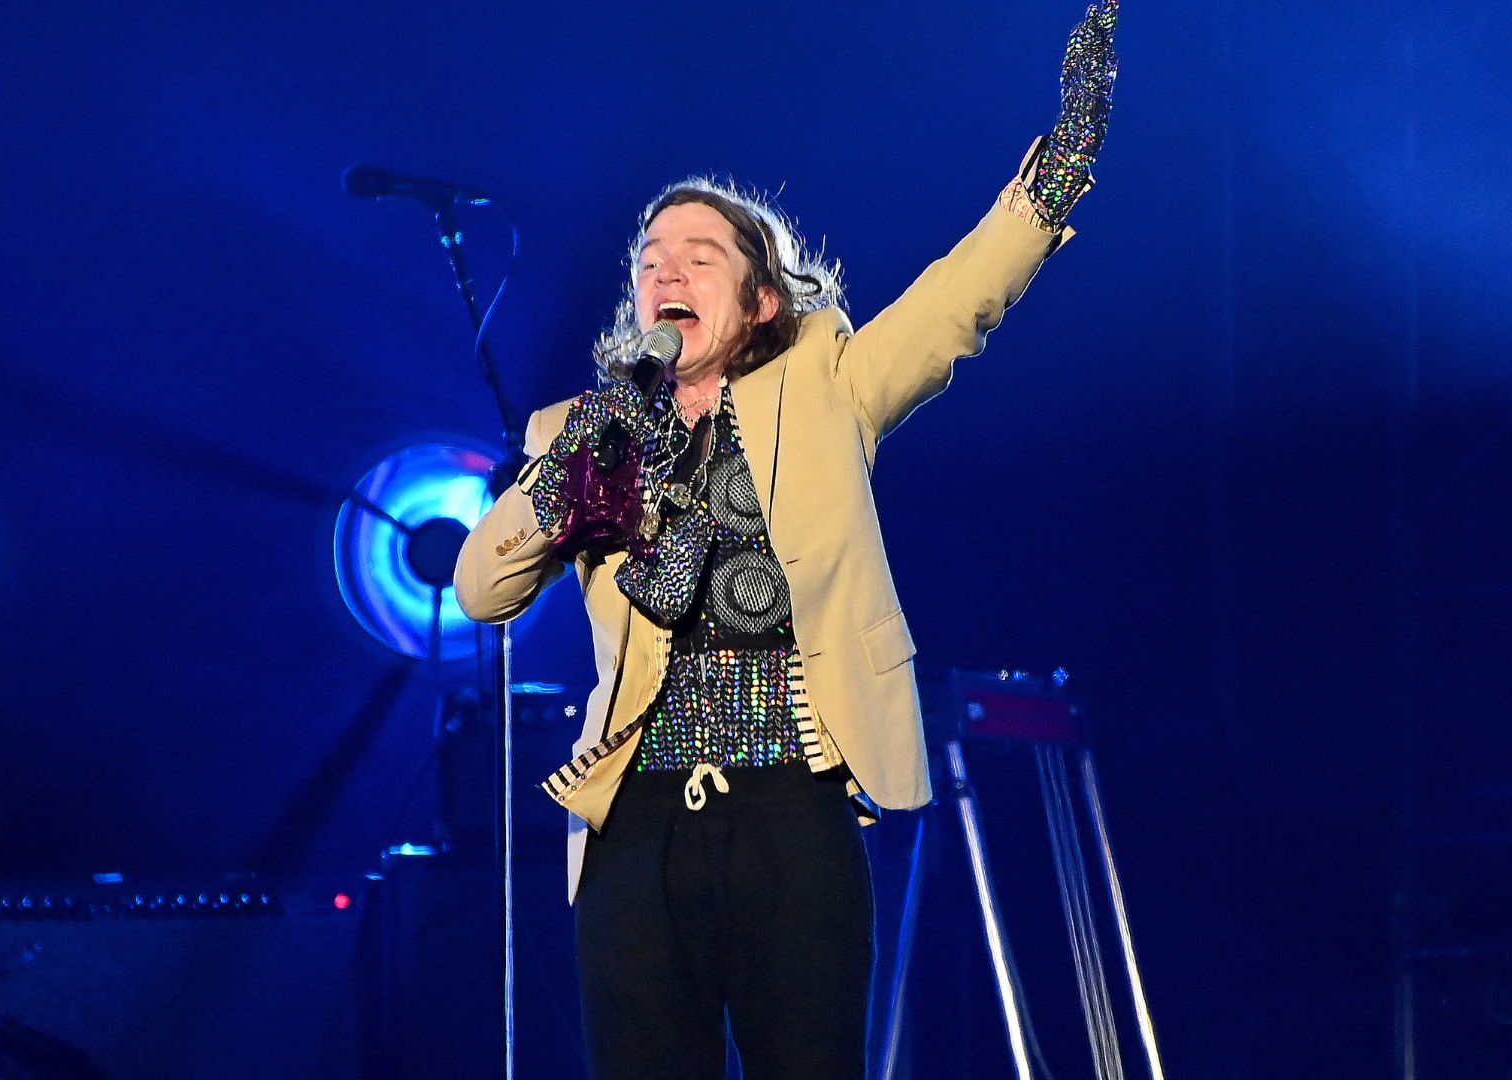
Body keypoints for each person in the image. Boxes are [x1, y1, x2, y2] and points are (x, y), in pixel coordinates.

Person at [455, 5, 1118, 1076]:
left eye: (699, 254)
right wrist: (581, 455)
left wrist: (1056, 176)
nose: (667, 271)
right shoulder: (576, 432)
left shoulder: (826, 384)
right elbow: (483, 588)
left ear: (761, 298)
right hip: (636, 816)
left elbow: (956, 305)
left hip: (791, 806)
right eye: (651, 256)